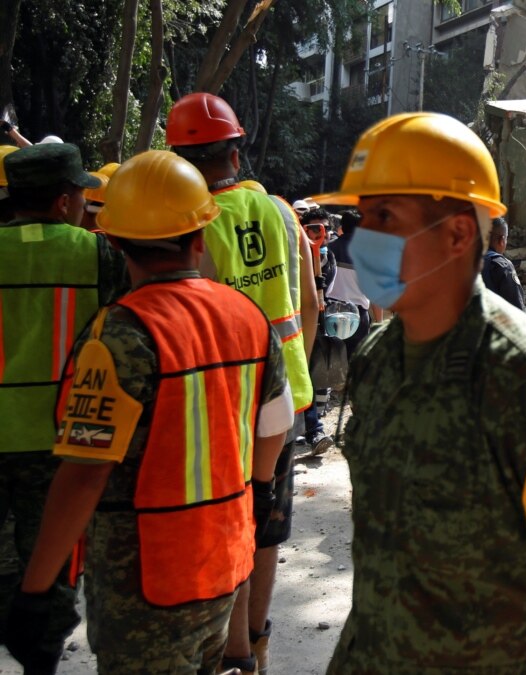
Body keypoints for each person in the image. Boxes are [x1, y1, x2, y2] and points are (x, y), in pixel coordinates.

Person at [312, 111, 526, 673]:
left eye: (384, 216)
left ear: (457, 232)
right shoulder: (379, 359)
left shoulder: (525, 374)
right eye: (361, 217)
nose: (361, 240)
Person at [9, 150, 293, 674]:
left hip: (146, 585)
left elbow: (85, 473)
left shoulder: (120, 334)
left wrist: (37, 589)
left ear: (115, 242)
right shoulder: (248, 317)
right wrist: (258, 492)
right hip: (225, 561)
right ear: (201, 237)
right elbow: (277, 424)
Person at [166, 91, 317, 675]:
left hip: (221, 404)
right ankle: (256, 643)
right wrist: (289, 367)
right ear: (237, 147)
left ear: (180, 155)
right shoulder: (281, 211)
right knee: (268, 529)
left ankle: (230, 653)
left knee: (227, 522)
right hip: (284, 399)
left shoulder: (194, 222)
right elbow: (308, 304)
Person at [0, 143, 128, 675]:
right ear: (61, 202)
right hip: (59, 442)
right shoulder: (99, 255)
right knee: (51, 564)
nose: (82, 202)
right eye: (79, 192)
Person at [300, 208, 338, 456]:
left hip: (317, 320)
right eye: (312, 228)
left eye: (322, 228)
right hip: (296, 322)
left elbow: (327, 288)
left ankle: (314, 429)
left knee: (311, 373)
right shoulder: (295, 254)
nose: (318, 234)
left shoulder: (329, 257)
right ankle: (311, 429)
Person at [326, 210, 372, 356]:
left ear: (342, 227)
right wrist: (379, 321)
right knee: (355, 364)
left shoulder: (328, 250)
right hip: (358, 318)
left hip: (330, 315)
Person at [482, 216, 525, 309]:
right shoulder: (503, 266)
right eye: (506, 238)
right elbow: (517, 310)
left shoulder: (467, 261)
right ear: (502, 240)